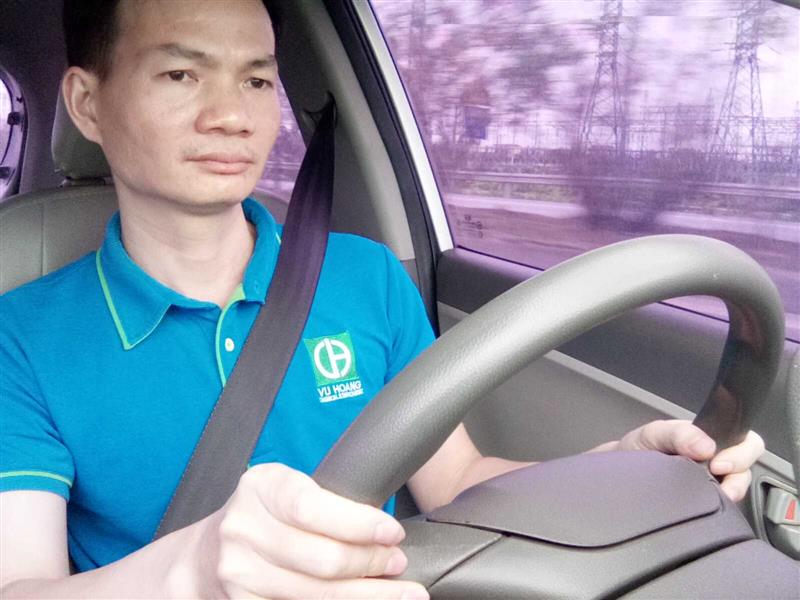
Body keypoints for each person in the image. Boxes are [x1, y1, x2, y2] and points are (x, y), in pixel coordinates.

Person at [0, 1, 766, 598]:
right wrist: (193, 570)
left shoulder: (363, 277)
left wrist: (615, 469)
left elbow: (454, 482)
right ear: (87, 103)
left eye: (257, 80)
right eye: (180, 74)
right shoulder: (20, 338)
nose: (231, 116)